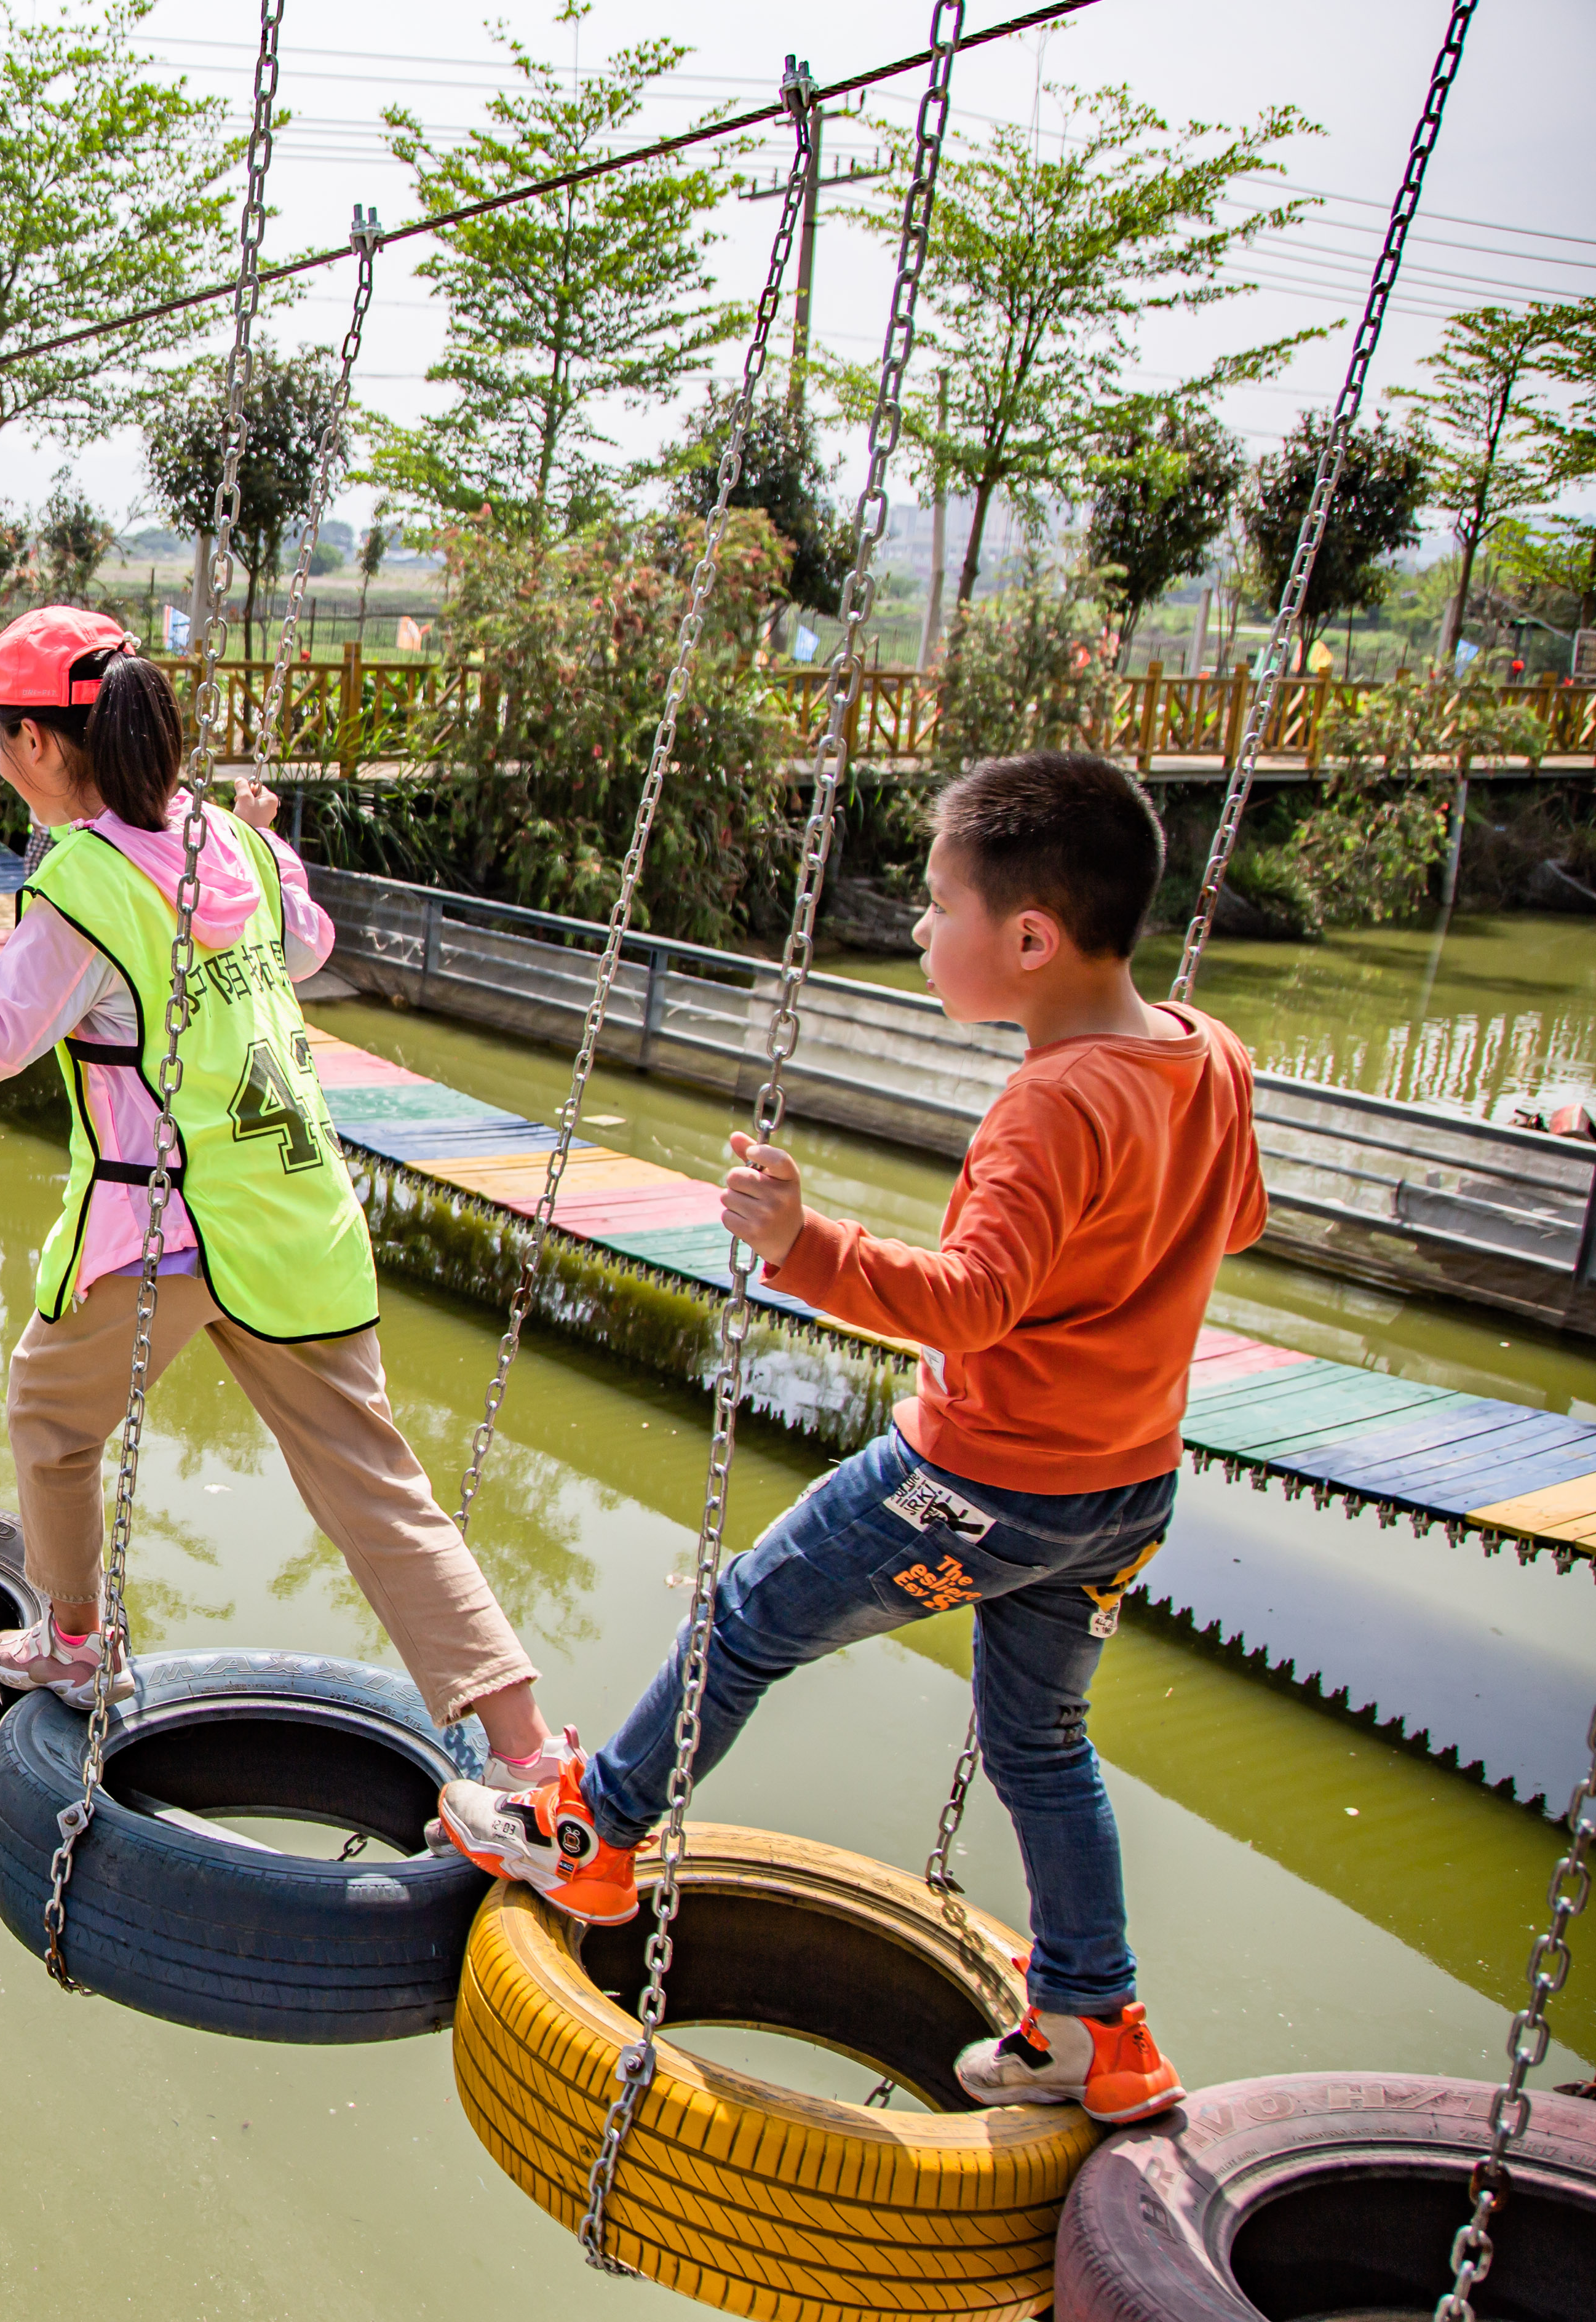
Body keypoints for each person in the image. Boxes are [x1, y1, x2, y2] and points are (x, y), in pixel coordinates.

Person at [434, 750, 1266, 2129]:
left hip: (976, 1482)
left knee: (752, 1614)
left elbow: (972, 1304)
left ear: (1032, 938)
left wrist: (800, 1243)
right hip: (1123, 1489)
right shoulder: (1204, 1053)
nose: (924, 934)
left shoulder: (1052, 1103)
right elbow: (1234, 1224)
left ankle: (596, 1832)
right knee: (1044, 1742)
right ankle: (1094, 2019)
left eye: (938, 911)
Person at [0, 605, 558, 1782]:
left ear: (48, 746)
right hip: (297, 1217)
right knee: (382, 1494)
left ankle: (72, 1643)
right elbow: (308, 947)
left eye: (2, 734)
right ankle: (529, 1757)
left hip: (162, 1226)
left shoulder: (85, 883)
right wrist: (275, 839)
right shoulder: (233, 847)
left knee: (48, 1420)